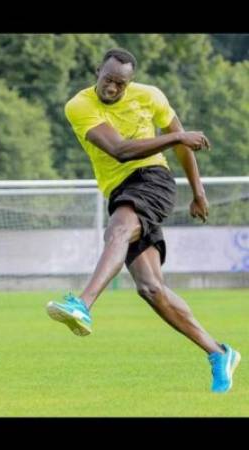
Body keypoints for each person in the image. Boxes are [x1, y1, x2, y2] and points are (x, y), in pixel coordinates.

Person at [46, 48, 240, 393]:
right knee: (151, 289)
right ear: (97, 72)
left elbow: (182, 149)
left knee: (119, 229)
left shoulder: (150, 96)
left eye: (121, 84)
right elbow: (119, 150)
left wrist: (199, 192)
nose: (113, 88)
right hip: (121, 189)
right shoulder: (79, 106)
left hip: (153, 180)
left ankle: (83, 304)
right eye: (108, 81)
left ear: (130, 82)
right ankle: (219, 353)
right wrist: (177, 136)